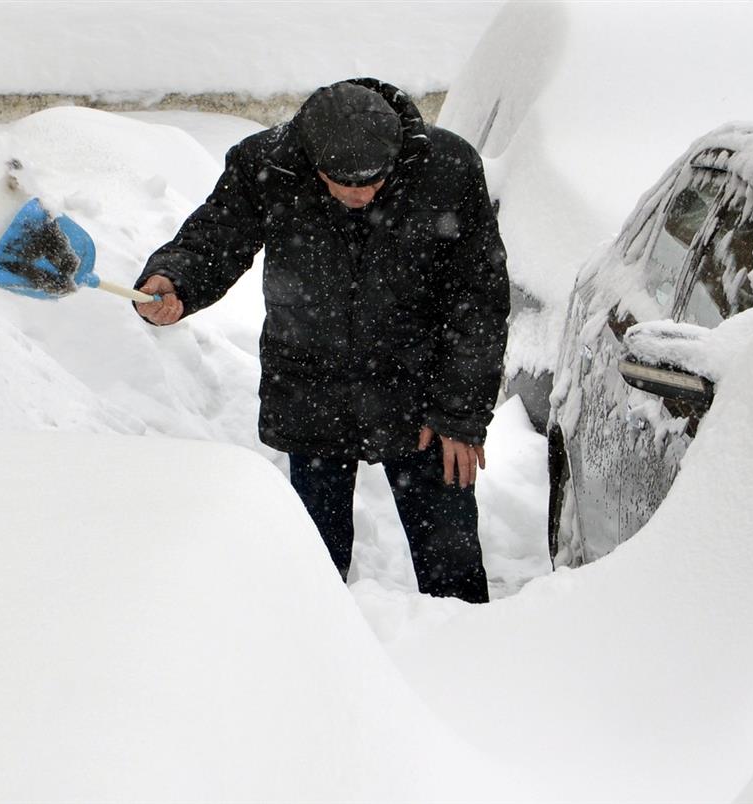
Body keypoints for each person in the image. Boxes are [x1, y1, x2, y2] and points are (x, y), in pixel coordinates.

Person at [133, 78, 509, 604]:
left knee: (452, 564)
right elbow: (214, 237)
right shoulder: (268, 166)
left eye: (374, 181)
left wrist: (461, 412)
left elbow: (479, 297)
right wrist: (175, 281)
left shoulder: (446, 169)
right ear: (313, 160)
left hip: (420, 397)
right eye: (344, 182)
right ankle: (313, 668)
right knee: (311, 569)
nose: (361, 195)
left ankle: (474, 663)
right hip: (311, 388)